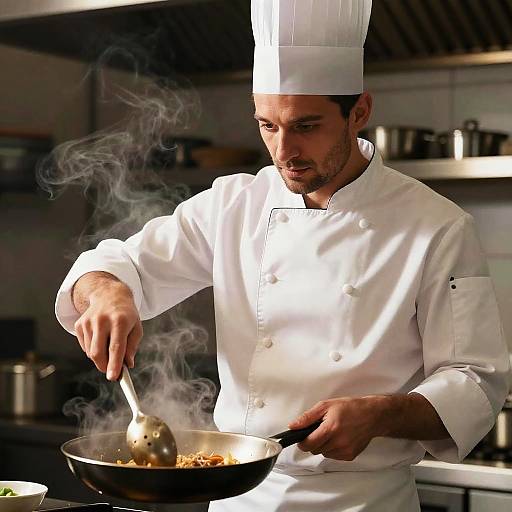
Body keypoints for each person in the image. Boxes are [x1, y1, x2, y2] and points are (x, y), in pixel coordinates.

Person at [55, 0, 509, 510]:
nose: (283, 150)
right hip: (237, 496)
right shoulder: (233, 205)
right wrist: (111, 292)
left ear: (359, 111)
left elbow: (475, 380)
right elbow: (115, 264)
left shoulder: (437, 225)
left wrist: (381, 413)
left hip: (360, 501)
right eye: (267, 125)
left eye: (306, 126)